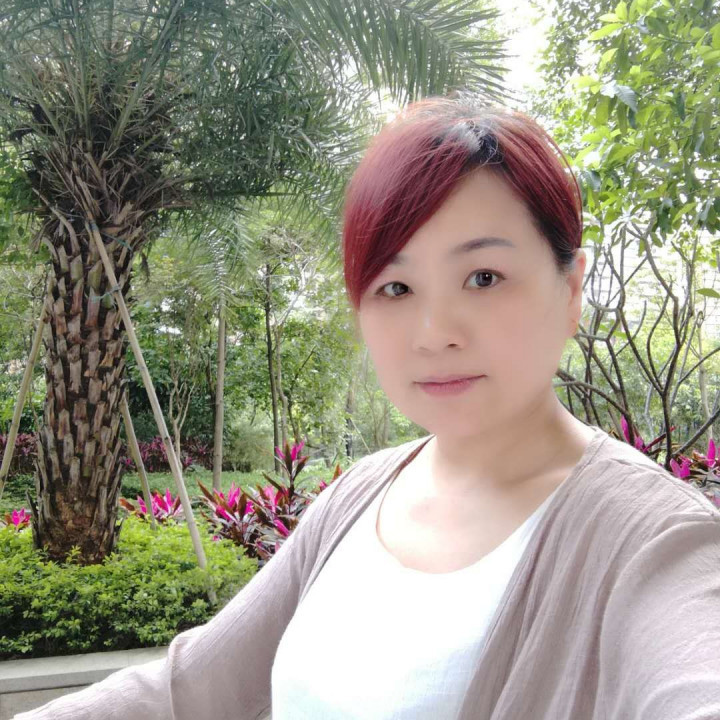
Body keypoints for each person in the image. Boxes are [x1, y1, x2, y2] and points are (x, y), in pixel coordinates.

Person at [16, 97, 720, 720]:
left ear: (570, 290)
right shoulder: (361, 496)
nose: (434, 333)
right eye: (396, 288)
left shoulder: (654, 542)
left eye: (484, 276)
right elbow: (190, 690)